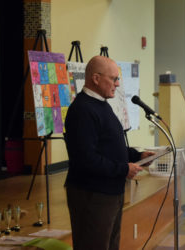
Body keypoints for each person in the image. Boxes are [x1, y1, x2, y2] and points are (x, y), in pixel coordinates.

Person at [64, 55, 154, 250]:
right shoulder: (82, 110)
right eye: (113, 79)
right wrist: (122, 169)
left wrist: (136, 156)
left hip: (109, 191)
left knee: (110, 245)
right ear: (96, 78)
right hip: (92, 194)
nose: (118, 83)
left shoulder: (101, 105)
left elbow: (109, 147)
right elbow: (85, 159)